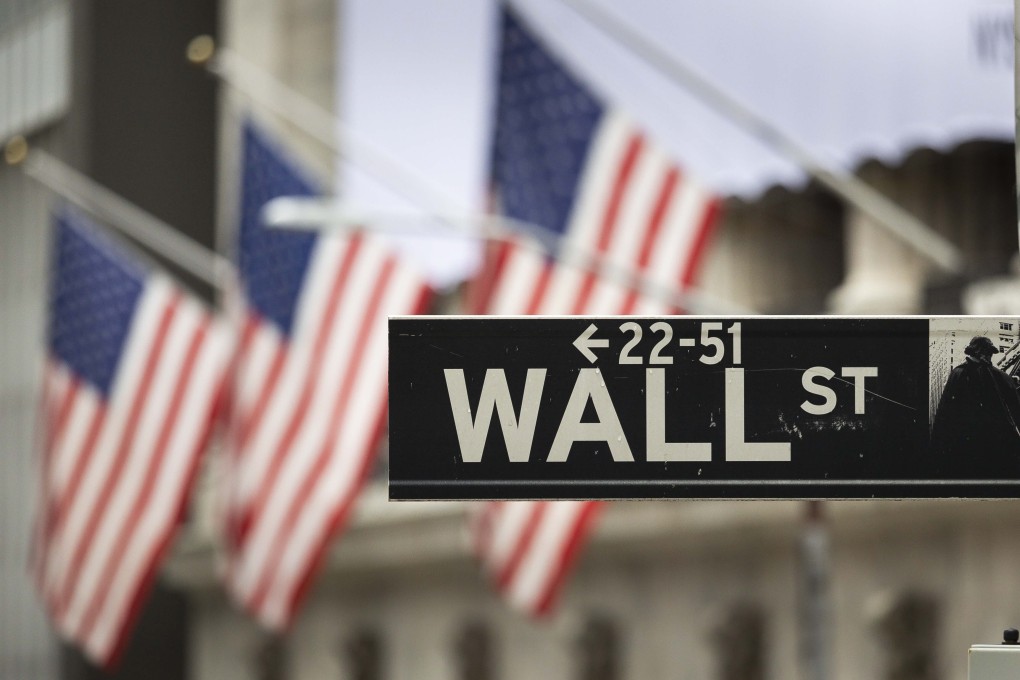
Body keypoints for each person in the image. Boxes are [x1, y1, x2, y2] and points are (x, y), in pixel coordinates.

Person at [931, 336, 1020, 477]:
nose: (990, 356)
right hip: (968, 441)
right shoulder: (960, 373)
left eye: (990, 353)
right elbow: (947, 412)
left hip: (989, 442)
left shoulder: (992, 373)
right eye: (987, 352)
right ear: (977, 352)